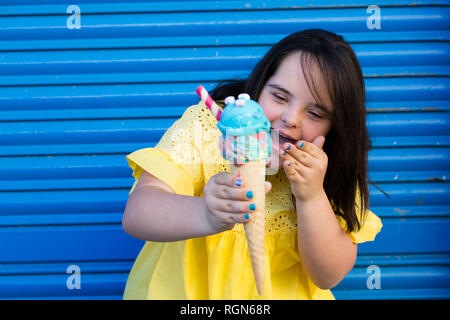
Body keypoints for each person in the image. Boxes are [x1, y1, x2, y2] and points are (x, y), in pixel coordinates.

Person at [121, 29, 383, 300]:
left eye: (315, 113)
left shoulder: (326, 171)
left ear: (334, 128)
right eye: (280, 97)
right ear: (259, 86)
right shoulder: (207, 128)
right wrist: (206, 214)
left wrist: (312, 196)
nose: (290, 118)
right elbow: (138, 213)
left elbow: (327, 275)